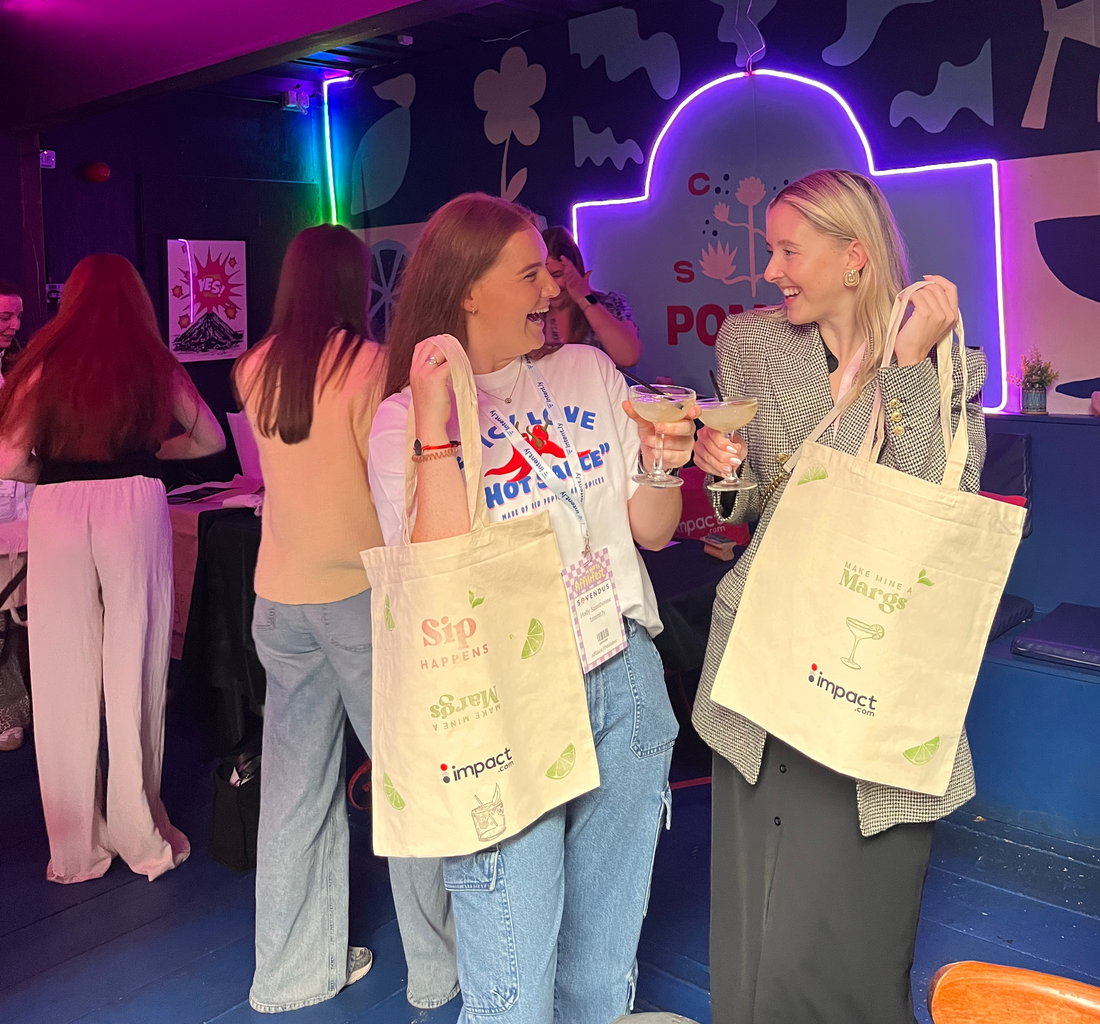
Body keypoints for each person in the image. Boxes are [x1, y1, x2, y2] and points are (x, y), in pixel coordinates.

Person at [368, 192, 693, 1024]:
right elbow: (436, 575)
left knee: (598, 967)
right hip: (504, 704)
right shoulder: (403, 421)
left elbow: (650, 534)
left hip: (622, 672)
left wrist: (663, 462)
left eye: (549, 272)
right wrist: (440, 430)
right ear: (468, 290)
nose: (552, 290)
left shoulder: (585, 372)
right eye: (530, 275)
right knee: (511, 988)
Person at [691, 169, 986, 1024]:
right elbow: (752, 505)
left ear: (855, 256)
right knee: (758, 921)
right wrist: (723, 474)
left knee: (851, 920)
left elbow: (933, 503)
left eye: (790, 249)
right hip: (768, 664)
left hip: (873, 681)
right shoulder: (753, 346)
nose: (772, 269)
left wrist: (904, 368)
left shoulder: (947, 361)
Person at [234, 225, 457, 1014]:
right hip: (362, 596)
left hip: (278, 599)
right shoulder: (369, 367)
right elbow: (390, 486)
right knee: (410, 782)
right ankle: (439, 966)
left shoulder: (252, 366)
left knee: (293, 791)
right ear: (353, 283)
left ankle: (290, 974)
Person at [0, 254, 225, 883]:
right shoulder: (154, 362)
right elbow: (209, 440)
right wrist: (150, 456)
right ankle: (138, 830)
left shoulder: (42, 363)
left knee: (63, 670)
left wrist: (59, 473)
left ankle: (76, 849)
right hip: (134, 501)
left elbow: (10, 459)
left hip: (60, 509)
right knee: (136, 662)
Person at [538, 224, 642, 367]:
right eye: (543, 276)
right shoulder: (531, 313)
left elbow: (628, 358)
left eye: (557, 275)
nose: (551, 287)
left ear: (576, 268)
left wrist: (584, 298)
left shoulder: (610, 304)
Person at [0, 278, 30, 752]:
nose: (13, 325)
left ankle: (20, 704)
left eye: (17, 316)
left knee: (20, 603)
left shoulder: (18, 365)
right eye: (4, 316)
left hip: (22, 499)